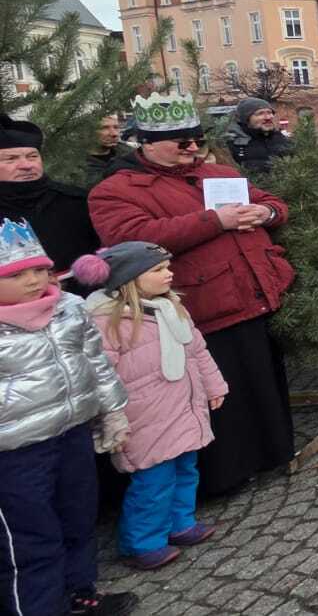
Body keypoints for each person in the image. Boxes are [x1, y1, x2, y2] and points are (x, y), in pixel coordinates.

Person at [89, 91, 295, 499]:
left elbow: (273, 202)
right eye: (180, 141)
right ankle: (224, 476)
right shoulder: (115, 190)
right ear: (146, 143)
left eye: (196, 139)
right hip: (201, 304)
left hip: (252, 291)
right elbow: (132, 240)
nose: (192, 148)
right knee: (217, 396)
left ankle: (274, 453)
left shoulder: (216, 175)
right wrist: (214, 220)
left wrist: (266, 213)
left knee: (262, 382)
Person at [0, 218, 138, 616]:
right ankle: (39, 607)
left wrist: (112, 411)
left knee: (78, 517)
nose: (33, 280)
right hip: (15, 452)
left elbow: (95, 363)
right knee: (30, 538)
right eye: (18, 274)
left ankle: (80, 592)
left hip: (71, 432)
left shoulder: (69, 308)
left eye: (40, 269)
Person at [73, 242, 228, 570]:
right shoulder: (106, 322)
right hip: (143, 418)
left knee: (186, 470)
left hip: (182, 408)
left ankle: (180, 522)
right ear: (129, 279)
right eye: (158, 269)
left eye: (167, 266)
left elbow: (196, 350)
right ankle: (142, 542)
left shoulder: (172, 307)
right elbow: (99, 375)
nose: (169, 273)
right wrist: (109, 418)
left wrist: (214, 386)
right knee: (153, 483)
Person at [0, 114, 102, 295]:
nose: (26, 165)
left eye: (32, 156)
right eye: (11, 159)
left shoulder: (76, 201)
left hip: (84, 301)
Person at [225, 98, 293, 174]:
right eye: (260, 113)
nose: (268, 117)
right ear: (246, 119)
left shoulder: (282, 140)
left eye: (270, 112)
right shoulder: (231, 143)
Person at [86, 114, 134, 186]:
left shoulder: (130, 153)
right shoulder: (72, 163)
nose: (114, 134)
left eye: (116, 127)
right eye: (104, 128)